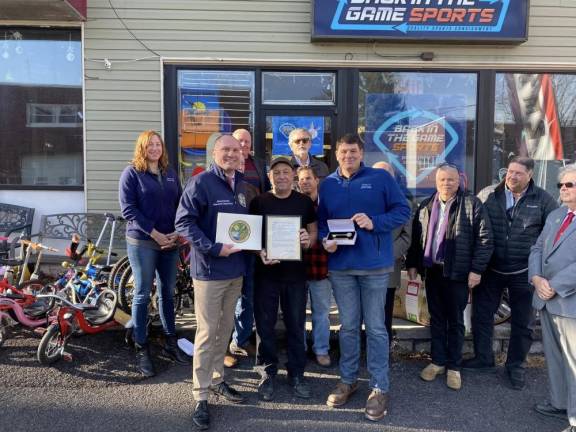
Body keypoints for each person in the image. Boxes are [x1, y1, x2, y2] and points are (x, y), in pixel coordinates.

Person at [318, 134, 411, 422]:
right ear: (336, 154)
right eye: (343, 151)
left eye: (353, 151)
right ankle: (348, 380)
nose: (348, 156)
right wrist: (325, 240)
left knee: (376, 328)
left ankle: (379, 387)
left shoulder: (381, 179)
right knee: (346, 327)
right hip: (341, 266)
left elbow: (403, 211)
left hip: (374, 266)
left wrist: (376, 222)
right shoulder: (327, 184)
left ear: (361, 153)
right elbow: (322, 222)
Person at [464, 156, 558, 390]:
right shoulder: (487, 194)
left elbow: (552, 235)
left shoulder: (544, 200)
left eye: (518, 173)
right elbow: (473, 225)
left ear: (530, 175)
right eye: (510, 171)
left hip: (525, 271)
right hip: (492, 268)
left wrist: (544, 268)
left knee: (523, 323)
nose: (512, 176)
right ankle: (483, 358)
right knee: (482, 316)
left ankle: (516, 366)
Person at [175, 134, 248, 430]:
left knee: (225, 329)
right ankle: (201, 394)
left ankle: (217, 379)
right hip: (208, 270)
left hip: (235, 271)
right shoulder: (201, 183)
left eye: (236, 149)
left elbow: (244, 228)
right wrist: (214, 248)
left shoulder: (241, 185)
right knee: (207, 332)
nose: (231, 154)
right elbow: (183, 222)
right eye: (226, 149)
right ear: (215, 152)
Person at [406, 163, 493, 391]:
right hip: (433, 272)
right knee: (436, 319)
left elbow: (485, 240)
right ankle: (437, 361)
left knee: (455, 321)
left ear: (459, 180)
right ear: (436, 181)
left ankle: (454, 366)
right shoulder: (426, 206)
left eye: (451, 180)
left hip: (458, 274)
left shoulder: (471, 204)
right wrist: (413, 264)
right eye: (442, 179)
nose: (446, 184)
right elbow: (417, 239)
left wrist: (476, 270)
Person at [118, 130, 191, 378]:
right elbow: (129, 209)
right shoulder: (132, 173)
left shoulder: (170, 173)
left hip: (170, 242)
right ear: (142, 148)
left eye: (158, 144)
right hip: (143, 242)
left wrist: (178, 233)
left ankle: (171, 340)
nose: (155, 148)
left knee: (168, 292)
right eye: (150, 145)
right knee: (141, 293)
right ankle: (141, 346)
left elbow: (181, 205)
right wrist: (155, 233)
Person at [250, 157, 317, 401]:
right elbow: (251, 235)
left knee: (296, 325)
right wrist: (260, 251)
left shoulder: (304, 202)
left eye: (285, 172)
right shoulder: (259, 202)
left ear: (293, 176)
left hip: (295, 276)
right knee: (265, 326)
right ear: (270, 177)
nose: (281, 176)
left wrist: (308, 242)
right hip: (266, 274)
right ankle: (267, 372)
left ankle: (296, 373)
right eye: (276, 172)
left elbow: (313, 231)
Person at [529, 165, 576, 432]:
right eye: (561, 185)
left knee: (574, 362)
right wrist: (536, 279)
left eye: (570, 185)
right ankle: (560, 403)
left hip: (569, 302)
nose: (563, 189)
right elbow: (537, 248)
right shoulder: (557, 215)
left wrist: (554, 285)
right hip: (546, 298)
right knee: (556, 358)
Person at [225, 129, 269, 368]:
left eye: (246, 142)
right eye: (238, 141)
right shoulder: (222, 168)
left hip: (253, 236)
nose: (242, 145)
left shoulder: (259, 166)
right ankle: (222, 346)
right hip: (228, 240)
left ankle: (240, 339)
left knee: (248, 293)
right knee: (225, 295)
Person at [372, 161, 412, 350]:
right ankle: (364, 349)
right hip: (362, 266)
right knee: (361, 313)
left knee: (384, 312)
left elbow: (406, 237)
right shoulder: (362, 202)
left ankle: (383, 350)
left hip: (389, 267)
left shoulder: (405, 204)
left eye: (386, 173)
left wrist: (385, 254)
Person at [297, 166, 332, 367]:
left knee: (321, 312)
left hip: (321, 266)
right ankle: (299, 348)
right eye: (301, 179)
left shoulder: (327, 204)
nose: (305, 182)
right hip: (298, 268)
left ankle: (321, 350)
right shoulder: (294, 204)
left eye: (308, 178)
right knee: (298, 311)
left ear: (316, 180)